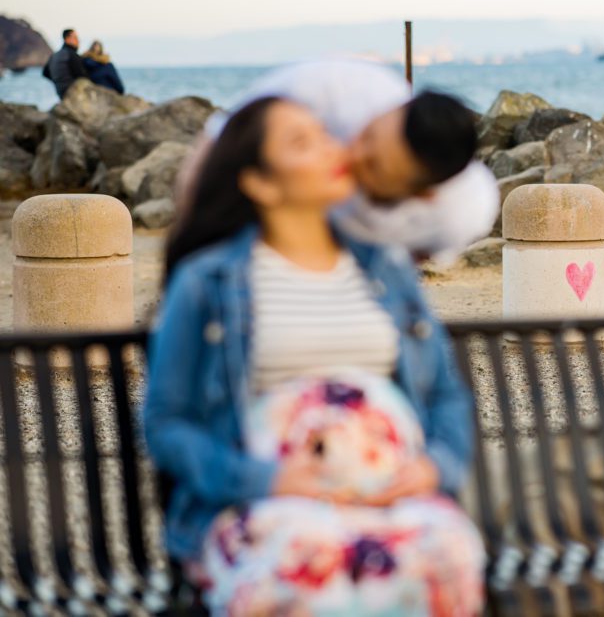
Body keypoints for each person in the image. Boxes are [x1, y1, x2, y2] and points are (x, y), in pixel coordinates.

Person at [144, 96, 485, 614]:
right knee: (312, 558)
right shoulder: (209, 282)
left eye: (325, 133)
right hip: (265, 507)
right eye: (302, 143)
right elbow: (168, 422)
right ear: (260, 181)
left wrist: (435, 467)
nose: (335, 148)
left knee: (450, 551)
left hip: (388, 501)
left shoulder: (386, 269)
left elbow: (443, 393)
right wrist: (266, 480)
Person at [178, 59, 499, 264]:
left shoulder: (458, 213)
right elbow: (215, 148)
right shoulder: (334, 89)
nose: (352, 155)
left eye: (375, 167)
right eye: (367, 135)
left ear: (420, 195)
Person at [42, 28, 87, 98]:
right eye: (75, 38)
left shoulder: (55, 56)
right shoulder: (71, 55)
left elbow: (45, 73)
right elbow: (82, 75)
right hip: (73, 93)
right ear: (67, 39)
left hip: (60, 92)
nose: (78, 40)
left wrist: (58, 81)